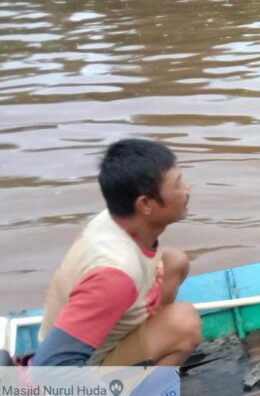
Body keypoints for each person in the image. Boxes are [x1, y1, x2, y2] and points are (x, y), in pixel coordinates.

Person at [32, 138, 201, 368]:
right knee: (184, 323)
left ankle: (149, 356)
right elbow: (49, 368)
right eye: (178, 185)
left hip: (94, 335)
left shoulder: (116, 219)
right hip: (78, 371)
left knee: (174, 262)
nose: (187, 189)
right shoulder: (115, 274)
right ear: (145, 205)